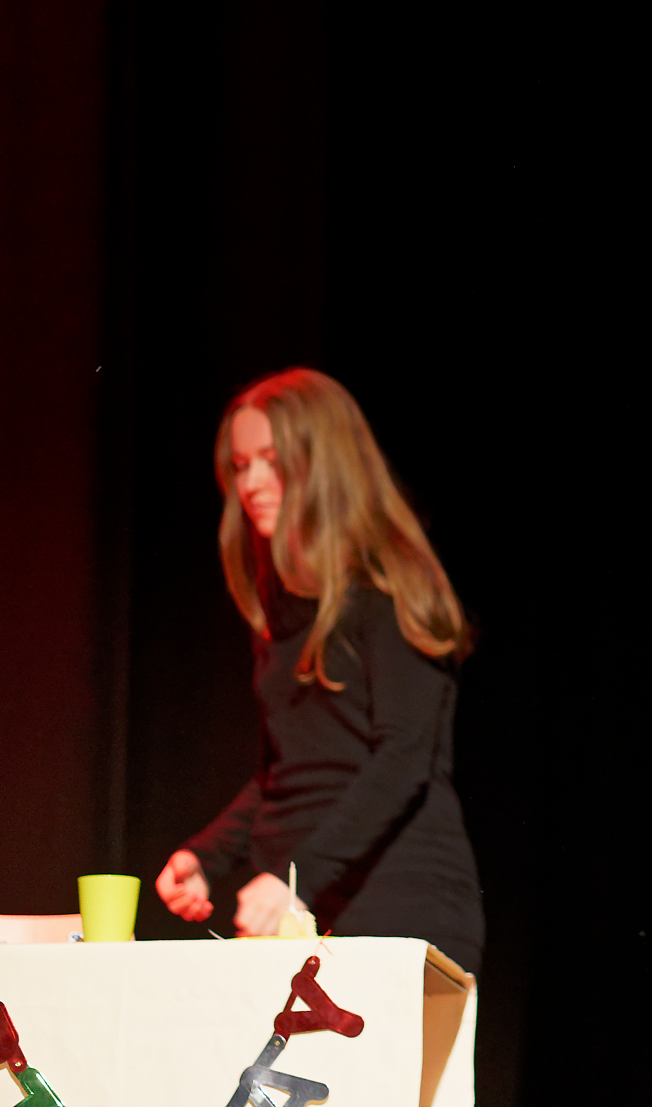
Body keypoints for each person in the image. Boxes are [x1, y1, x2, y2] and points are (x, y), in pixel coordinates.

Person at [154, 368, 485, 976]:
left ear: (322, 463)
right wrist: (206, 855)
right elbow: (285, 774)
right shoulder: (284, 612)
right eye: (241, 466)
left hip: (399, 907)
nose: (251, 483)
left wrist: (295, 880)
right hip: (309, 910)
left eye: (271, 461)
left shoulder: (386, 588)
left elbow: (404, 757)